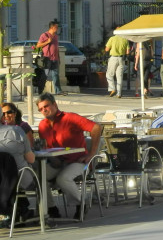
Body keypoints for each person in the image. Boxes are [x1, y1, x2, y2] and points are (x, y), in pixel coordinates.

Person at [37, 92, 102, 220]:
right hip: (57, 162)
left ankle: (80, 204)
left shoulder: (70, 118)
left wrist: (92, 153)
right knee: (38, 177)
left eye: (46, 106)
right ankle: (51, 208)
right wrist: (51, 159)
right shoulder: (42, 125)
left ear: (55, 104)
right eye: (40, 109)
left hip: (78, 162)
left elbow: (96, 127)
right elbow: (46, 149)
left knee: (63, 178)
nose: (44, 110)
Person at [36, 20, 64, 96]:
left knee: (56, 75)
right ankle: (40, 91)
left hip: (55, 59)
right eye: (56, 27)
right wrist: (47, 41)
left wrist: (59, 58)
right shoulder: (44, 35)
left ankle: (58, 91)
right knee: (45, 75)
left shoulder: (55, 36)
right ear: (52, 27)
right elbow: (38, 45)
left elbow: (56, 48)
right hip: (47, 59)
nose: (57, 29)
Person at [104, 31, 129, 98]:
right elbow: (128, 51)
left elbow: (107, 49)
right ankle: (119, 93)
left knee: (109, 74)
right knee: (119, 76)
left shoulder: (112, 38)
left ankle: (112, 88)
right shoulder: (125, 39)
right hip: (122, 59)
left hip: (113, 58)